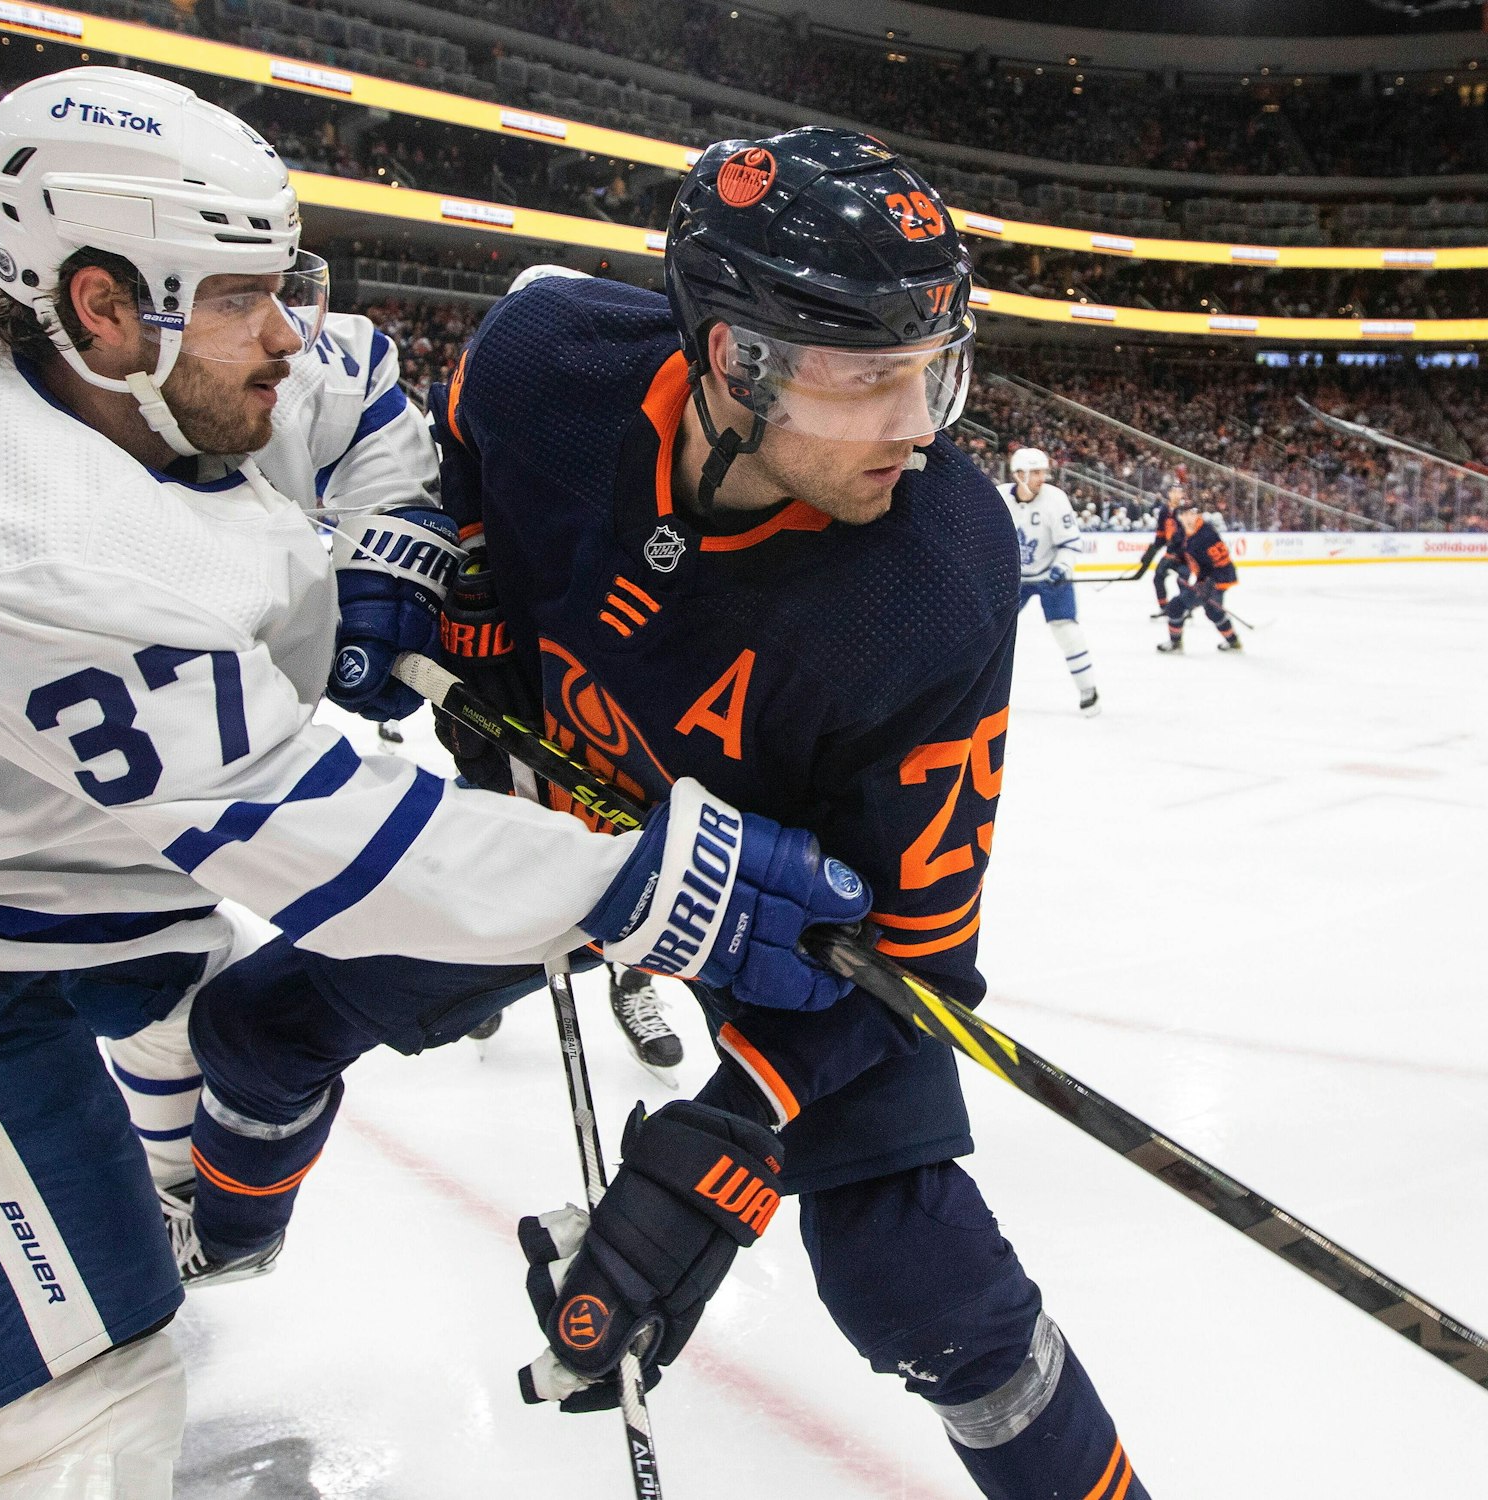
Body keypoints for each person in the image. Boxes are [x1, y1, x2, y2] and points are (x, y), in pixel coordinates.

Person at [0, 68, 856, 1500]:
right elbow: (325, 843)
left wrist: (391, 549)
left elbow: (365, 397)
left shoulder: (142, 377)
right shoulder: (17, 537)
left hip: (58, 870)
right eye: (240, 297)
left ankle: (177, 1215)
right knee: (87, 1397)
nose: (284, 331)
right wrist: (648, 888)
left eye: (278, 281)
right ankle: (90, 1286)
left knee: (201, 1033)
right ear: (104, 304)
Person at [427, 131, 1150, 1500]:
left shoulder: (936, 570)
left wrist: (732, 1136)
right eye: (874, 379)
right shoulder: (545, 357)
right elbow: (467, 447)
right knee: (289, 1002)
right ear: (736, 360)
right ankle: (203, 1218)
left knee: (913, 1271)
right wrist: (456, 570)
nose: (925, 423)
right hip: (563, 817)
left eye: (936, 369)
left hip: (788, 912)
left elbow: (912, 960)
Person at [999, 446, 1099, 715]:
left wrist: (1062, 568)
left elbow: (1069, 543)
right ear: (1020, 474)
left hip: (1050, 575)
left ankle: (1088, 690)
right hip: (1013, 579)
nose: (1043, 478)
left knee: (1066, 630)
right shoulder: (999, 498)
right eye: (1037, 472)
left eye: (1043, 471)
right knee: (991, 633)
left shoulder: (1055, 499)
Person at [1157, 499, 1242, 653]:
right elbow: (1178, 550)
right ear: (1179, 517)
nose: (1190, 517)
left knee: (1176, 606)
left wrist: (1210, 584)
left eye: (1193, 513)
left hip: (1218, 578)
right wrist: (1171, 560)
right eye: (1186, 514)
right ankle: (1233, 641)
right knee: (1213, 611)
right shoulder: (1183, 532)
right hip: (1205, 578)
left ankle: (1175, 643)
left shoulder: (1206, 535)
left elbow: (1222, 562)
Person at [1133, 481, 1190, 606]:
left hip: (1185, 553)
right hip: (1170, 553)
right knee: (1158, 577)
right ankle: (1164, 606)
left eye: (1179, 492)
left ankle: (1184, 607)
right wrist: (1151, 551)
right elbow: (1161, 534)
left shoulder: (1186, 510)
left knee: (1182, 580)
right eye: (1173, 491)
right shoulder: (1164, 510)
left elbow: (1189, 533)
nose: (1176, 494)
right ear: (1169, 493)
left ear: (1182, 495)